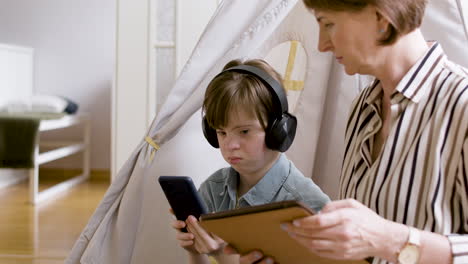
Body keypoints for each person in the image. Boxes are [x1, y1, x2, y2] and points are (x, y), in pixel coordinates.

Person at [228, 0, 468, 264]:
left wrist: (391, 240)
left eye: (328, 24)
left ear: (382, 17)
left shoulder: (462, 106)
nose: (322, 45)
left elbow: (379, 241)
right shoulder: (362, 108)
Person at [169, 59, 331, 264]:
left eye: (244, 131)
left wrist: (220, 254)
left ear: (279, 131)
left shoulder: (309, 205)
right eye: (221, 132)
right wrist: (195, 251)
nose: (230, 144)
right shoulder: (212, 190)